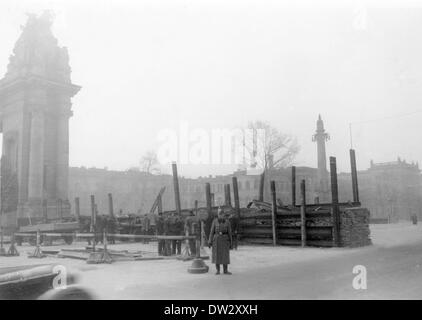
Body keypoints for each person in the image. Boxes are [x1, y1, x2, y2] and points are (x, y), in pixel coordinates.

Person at [208, 207, 233, 275]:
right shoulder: (215, 221)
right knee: (217, 255)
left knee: (225, 255)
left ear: (224, 215)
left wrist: (231, 242)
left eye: (222, 214)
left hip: (225, 240)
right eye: (220, 214)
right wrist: (210, 241)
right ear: (218, 215)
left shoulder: (227, 222)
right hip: (216, 240)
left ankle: (225, 270)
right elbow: (211, 232)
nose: (221, 216)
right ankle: (218, 270)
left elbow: (230, 233)